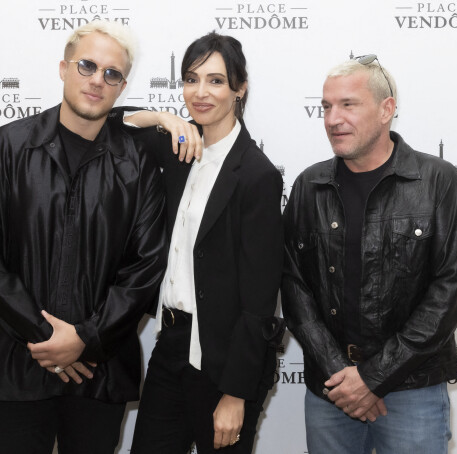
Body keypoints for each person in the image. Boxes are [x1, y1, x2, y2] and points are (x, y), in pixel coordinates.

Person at [0, 20, 167, 454]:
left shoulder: (138, 165)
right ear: (63, 67)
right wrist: (46, 339)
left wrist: (85, 340)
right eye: (87, 65)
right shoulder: (6, 148)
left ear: (122, 85)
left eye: (111, 74)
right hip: (16, 365)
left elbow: (145, 268)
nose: (97, 80)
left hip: (98, 370)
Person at [280, 55, 457, 454]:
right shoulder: (308, 185)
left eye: (348, 104)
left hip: (412, 388)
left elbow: (447, 292)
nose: (333, 119)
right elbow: (294, 287)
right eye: (326, 107)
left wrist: (372, 378)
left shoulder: (438, 180)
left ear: (387, 109)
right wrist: (341, 375)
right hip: (331, 391)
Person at [121, 32, 284, 454]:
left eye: (215, 80)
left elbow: (260, 299)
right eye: (191, 79)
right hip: (169, 344)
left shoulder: (256, 174)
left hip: (224, 359)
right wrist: (162, 118)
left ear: (239, 88)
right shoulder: (178, 146)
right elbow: (113, 122)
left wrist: (234, 394)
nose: (200, 92)